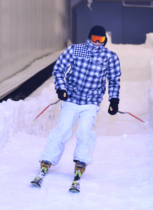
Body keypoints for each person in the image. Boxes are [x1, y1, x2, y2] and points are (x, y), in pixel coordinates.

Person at [31, 25, 121, 192]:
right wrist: (61, 88)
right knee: (63, 129)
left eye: (100, 40)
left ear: (104, 40)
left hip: (91, 102)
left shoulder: (110, 56)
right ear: (89, 37)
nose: (97, 42)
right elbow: (59, 69)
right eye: (94, 38)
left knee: (85, 131)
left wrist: (114, 100)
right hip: (71, 99)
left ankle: (81, 161)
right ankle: (47, 160)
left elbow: (114, 79)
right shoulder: (75, 50)